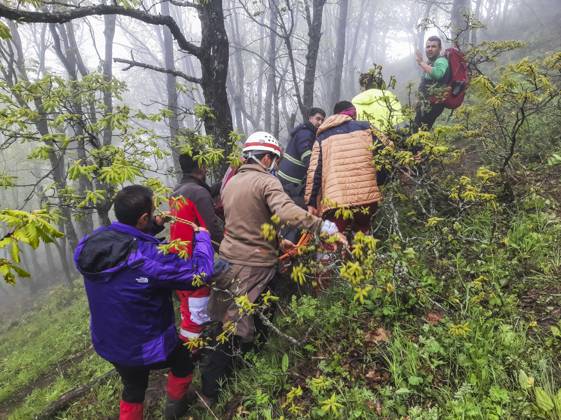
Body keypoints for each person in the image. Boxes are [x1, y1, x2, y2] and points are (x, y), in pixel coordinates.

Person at [200, 131, 339, 403]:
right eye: (274, 159)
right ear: (266, 158)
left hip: (230, 259)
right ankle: (212, 390)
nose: (275, 164)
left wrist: (277, 241)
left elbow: (247, 220)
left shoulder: (232, 182)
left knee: (252, 311)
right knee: (234, 326)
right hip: (253, 265)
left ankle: (246, 365)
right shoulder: (266, 182)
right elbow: (286, 211)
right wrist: (322, 225)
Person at [74, 185, 214, 420]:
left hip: (109, 341)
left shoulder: (91, 243)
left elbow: (125, 244)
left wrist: (153, 227)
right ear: (141, 219)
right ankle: (174, 411)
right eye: (151, 213)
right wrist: (202, 238)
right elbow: (199, 273)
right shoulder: (147, 257)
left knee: (134, 387)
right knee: (182, 364)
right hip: (146, 344)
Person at [305, 101, 387, 235]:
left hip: (335, 200)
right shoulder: (367, 127)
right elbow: (388, 151)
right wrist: (380, 180)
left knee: (333, 238)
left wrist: (311, 202)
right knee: (362, 236)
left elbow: (314, 173)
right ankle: (361, 254)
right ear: (352, 113)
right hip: (366, 196)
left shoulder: (322, 136)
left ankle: (334, 255)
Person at [170, 152, 224, 344]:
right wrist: (228, 252)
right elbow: (212, 229)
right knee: (197, 317)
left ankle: (191, 351)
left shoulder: (179, 190)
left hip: (178, 261)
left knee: (189, 312)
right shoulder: (198, 193)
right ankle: (190, 359)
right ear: (201, 167)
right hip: (195, 264)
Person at [277, 107, 326, 207]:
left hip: (286, 179)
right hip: (290, 182)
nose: (320, 122)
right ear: (310, 118)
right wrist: (319, 173)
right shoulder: (306, 133)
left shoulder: (305, 131)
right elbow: (307, 156)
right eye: (318, 119)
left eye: (322, 120)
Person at [413, 36, 450, 131]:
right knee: (416, 130)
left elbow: (438, 74)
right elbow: (424, 83)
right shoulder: (430, 63)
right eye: (428, 46)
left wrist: (421, 62)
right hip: (425, 103)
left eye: (433, 46)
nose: (430, 49)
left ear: (440, 48)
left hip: (434, 104)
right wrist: (418, 99)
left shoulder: (441, 61)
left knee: (419, 131)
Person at [352, 66, 405, 131]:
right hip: (391, 137)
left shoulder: (354, 104)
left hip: (366, 139)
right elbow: (400, 123)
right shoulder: (389, 96)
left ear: (363, 86)